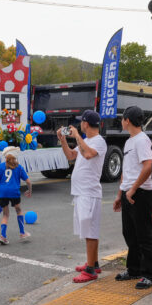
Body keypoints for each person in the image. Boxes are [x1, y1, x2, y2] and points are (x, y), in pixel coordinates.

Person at [58, 110, 107, 283]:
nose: (79, 125)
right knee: (88, 229)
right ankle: (93, 262)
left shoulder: (98, 141)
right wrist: (63, 140)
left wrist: (77, 136)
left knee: (90, 231)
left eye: (81, 122)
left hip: (89, 192)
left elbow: (88, 154)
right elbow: (71, 155)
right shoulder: (86, 141)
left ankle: (90, 270)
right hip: (81, 192)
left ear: (86, 123)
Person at [114, 106, 152, 290]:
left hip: (141, 193)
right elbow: (127, 171)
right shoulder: (129, 141)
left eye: (122, 119)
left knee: (144, 235)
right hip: (128, 192)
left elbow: (148, 166)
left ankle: (149, 274)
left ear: (128, 120)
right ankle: (134, 269)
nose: (121, 122)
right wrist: (120, 194)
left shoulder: (142, 140)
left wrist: (133, 189)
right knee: (129, 233)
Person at [0, 146, 32, 244]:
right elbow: (28, 181)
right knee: (18, 210)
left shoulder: (0, 166)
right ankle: (22, 233)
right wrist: (29, 190)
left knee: (5, 214)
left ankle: (3, 236)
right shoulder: (19, 167)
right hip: (14, 192)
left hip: (2, 192)